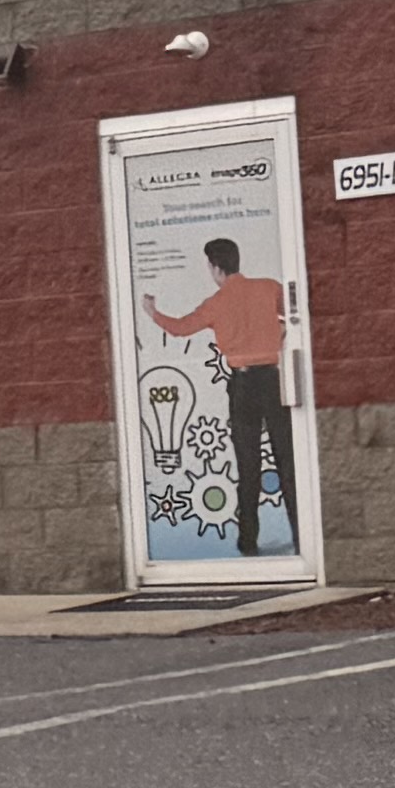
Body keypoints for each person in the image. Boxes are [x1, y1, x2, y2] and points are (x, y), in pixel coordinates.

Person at [148, 237, 296, 555]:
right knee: (287, 459)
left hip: (242, 386)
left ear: (216, 268)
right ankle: (301, 533)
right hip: (273, 380)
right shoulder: (269, 288)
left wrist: (152, 312)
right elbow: (295, 316)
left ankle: (248, 542)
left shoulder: (216, 303)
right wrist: (278, 332)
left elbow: (179, 328)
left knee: (248, 464)